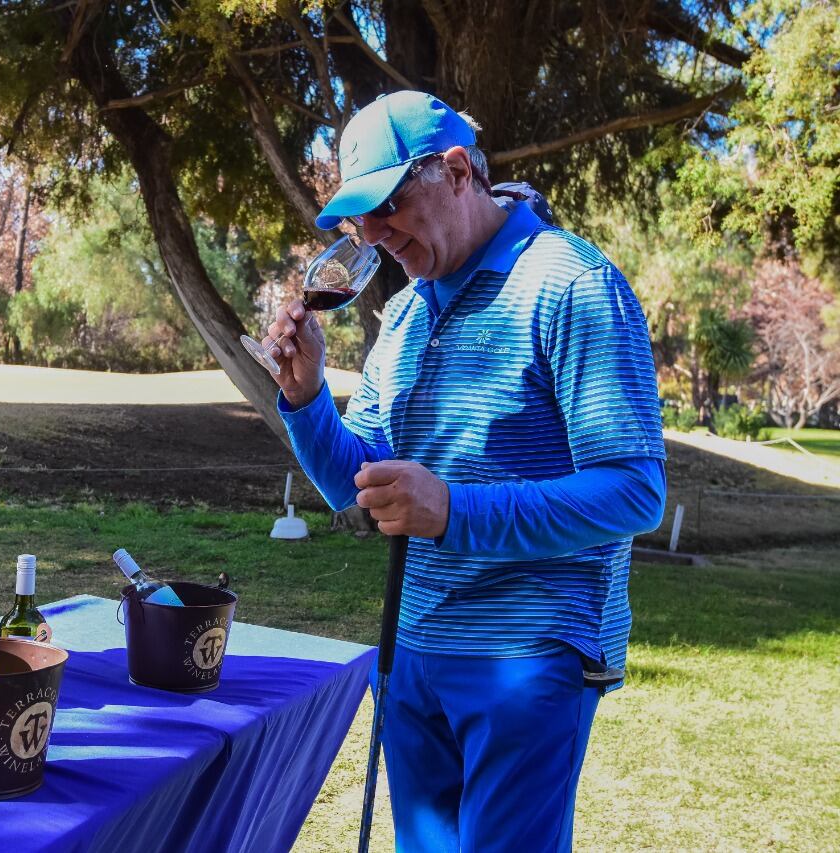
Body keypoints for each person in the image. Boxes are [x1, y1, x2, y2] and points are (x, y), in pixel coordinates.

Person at [261, 91, 666, 850]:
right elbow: (359, 484)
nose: (374, 235)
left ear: (455, 171)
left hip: (529, 656)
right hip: (412, 649)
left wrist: (454, 509)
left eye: (387, 204)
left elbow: (635, 489)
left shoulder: (572, 283)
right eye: (359, 221)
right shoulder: (409, 314)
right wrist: (309, 397)